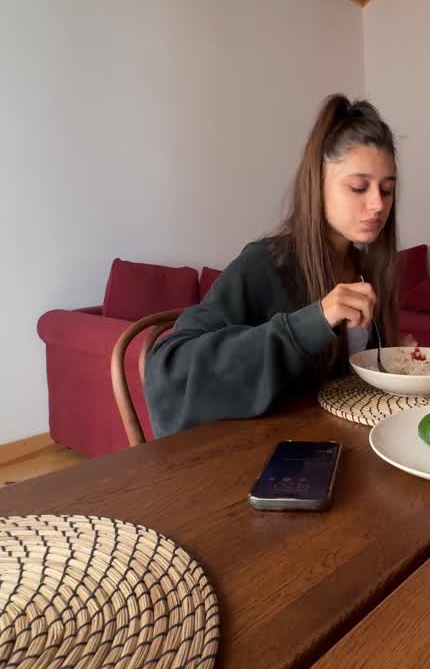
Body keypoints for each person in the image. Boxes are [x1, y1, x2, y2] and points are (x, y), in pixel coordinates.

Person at [144, 95, 406, 437]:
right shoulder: (265, 264)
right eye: (358, 187)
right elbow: (169, 370)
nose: (377, 205)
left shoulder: (363, 268)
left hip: (341, 444)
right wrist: (312, 322)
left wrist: (390, 352)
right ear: (317, 184)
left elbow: (345, 387)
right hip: (270, 459)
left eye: (386, 190)